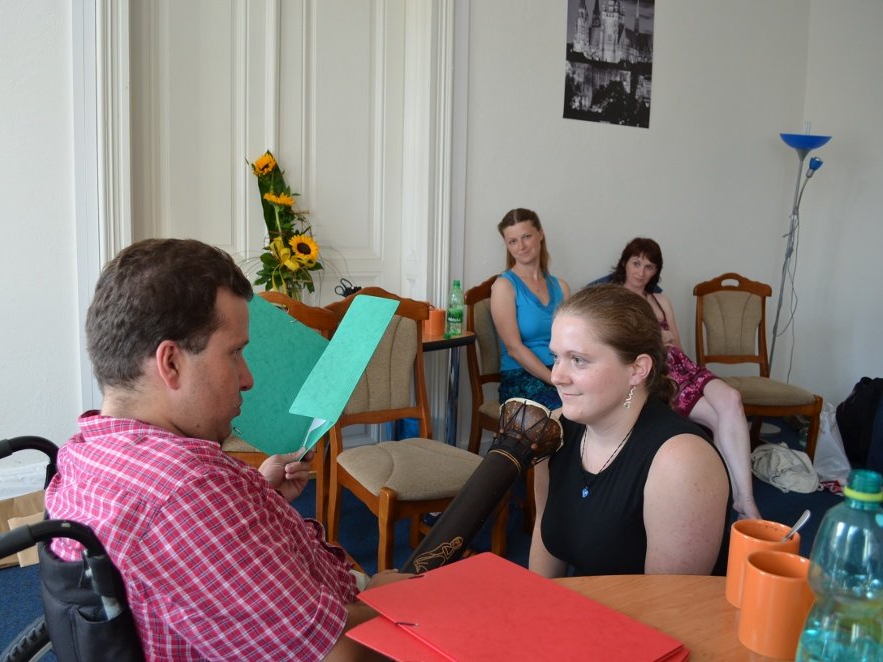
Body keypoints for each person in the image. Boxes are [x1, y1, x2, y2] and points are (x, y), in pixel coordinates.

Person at [45, 238, 403, 661]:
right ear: (171, 363)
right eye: (234, 353)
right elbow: (335, 655)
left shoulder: (87, 449)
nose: (247, 378)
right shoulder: (185, 493)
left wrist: (258, 494)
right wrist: (388, 602)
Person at [529, 285, 729, 577]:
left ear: (637, 369)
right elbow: (544, 532)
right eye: (556, 357)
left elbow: (668, 601)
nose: (556, 376)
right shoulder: (553, 430)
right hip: (580, 603)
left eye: (578, 360)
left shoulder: (682, 462)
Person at [606, 237, 762, 520]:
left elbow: (677, 342)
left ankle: (744, 496)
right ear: (625, 263)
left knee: (731, 399)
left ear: (656, 271)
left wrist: (670, 344)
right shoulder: (615, 298)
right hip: (658, 372)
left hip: (683, 365)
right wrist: (657, 338)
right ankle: (739, 500)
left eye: (649, 266)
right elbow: (618, 346)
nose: (641, 272)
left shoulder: (661, 300)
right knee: (717, 419)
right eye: (636, 263)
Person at [491, 208, 571, 410]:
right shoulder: (504, 286)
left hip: (560, 370)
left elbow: (572, 340)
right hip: (520, 375)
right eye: (513, 241)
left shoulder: (561, 287)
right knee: (566, 409)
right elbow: (514, 348)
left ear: (540, 234)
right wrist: (555, 381)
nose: (521, 246)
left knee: (601, 402)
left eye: (526, 236)